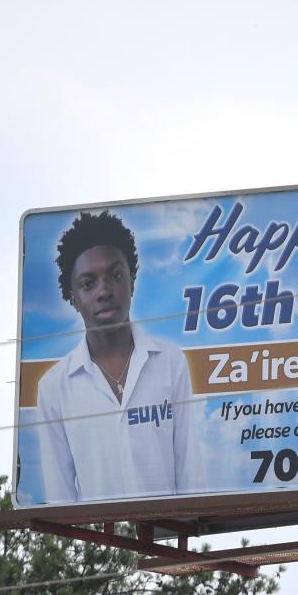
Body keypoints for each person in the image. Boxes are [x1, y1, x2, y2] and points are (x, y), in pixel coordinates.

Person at [35, 211, 204, 504]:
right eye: (88, 283)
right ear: (71, 296)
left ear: (132, 281)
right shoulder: (53, 388)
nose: (104, 292)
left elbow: (190, 476)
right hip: (97, 548)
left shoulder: (170, 362)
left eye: (115, 276)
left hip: (167, 540)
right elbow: (59, 496)